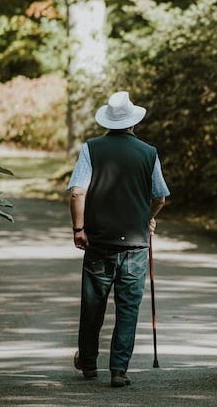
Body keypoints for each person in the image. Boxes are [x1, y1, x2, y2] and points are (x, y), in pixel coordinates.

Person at [67, 91, 170, 388]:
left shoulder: (92, 149)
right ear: (133, 122)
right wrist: (147, 217)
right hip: (136, 245)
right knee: (128, 309)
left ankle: (88, 363)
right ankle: (118, 370)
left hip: (99, 243)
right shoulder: (149, 152)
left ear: (108, 122)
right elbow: (160, 196)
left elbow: (77, 192)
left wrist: (79, 228)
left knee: (92, 306)